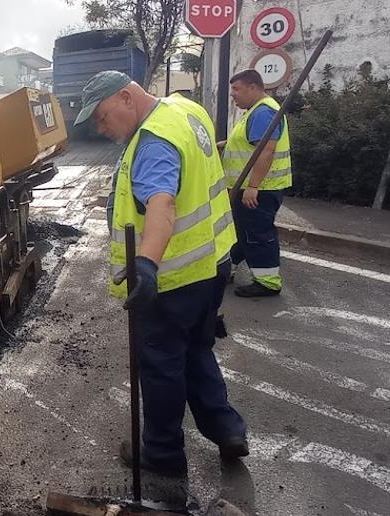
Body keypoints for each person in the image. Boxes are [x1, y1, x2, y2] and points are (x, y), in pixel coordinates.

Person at [75, 70, 248, 479]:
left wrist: (147, 266)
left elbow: (162, 204)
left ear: (125, 98)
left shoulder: (152, 142)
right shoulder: (184, 109)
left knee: (161, 365)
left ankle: (163, 454)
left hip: (174, 278)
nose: (101, 129)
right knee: (196, 350)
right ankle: (227, 429)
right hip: (212, 264)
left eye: (102, 117)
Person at [221, 69, 291, 298]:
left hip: (260, 189)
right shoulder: (256, 111)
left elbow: (266, 151)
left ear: (253, 87)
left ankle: (268, 282)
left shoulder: (263, 112)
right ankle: (226, 269)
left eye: (237, 89)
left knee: (258, 234)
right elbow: (248, 145)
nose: (233, 95)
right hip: (249, 188)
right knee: (241, 231)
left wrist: (253, 186)